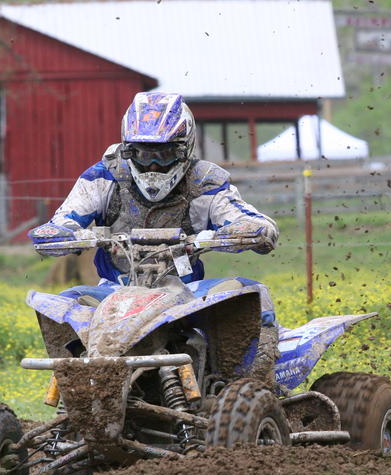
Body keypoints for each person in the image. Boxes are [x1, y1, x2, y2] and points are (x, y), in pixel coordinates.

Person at [28, 91, 280, 381]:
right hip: (114, 291)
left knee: (252, 294)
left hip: (186, 295)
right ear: (128, 150)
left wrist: (245, 229)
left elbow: (248, 219)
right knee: (64, 304)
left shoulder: (204, 182)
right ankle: (78, 389)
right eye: (144, 153)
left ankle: (253, 388)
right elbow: (65, 218)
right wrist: (58, 233)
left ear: (184, 148)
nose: (153, 166)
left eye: (165, 153)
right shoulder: (105, 176)